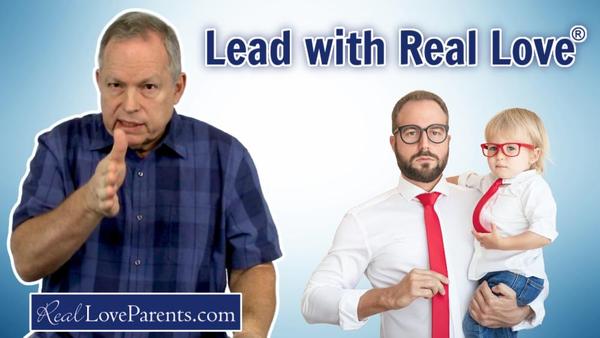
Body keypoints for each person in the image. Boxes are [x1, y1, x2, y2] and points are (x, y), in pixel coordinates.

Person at [9, 11, 281, 338]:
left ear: (178, 87)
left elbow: (254, 266)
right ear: (98, 82)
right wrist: (88, 204)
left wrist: (250, 330)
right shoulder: (60, 146)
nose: (130, 104)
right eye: (116, 86)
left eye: (148, 87)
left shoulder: (226, 156)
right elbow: (26, 263)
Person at [301, 90, 546, 338]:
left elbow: (529, 267)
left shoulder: (485, 205)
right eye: (410, 133)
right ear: (393, 142)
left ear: (448, 141)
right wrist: (388, 296)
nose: (424, 145)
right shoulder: (363, 219)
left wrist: (523, 311)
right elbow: (313, 301)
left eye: (435, 132)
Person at [449, 108, 557, 338]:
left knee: (478, 326)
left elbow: (544, 234)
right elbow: (465, 178)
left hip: (519, 274)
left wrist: (503, 243)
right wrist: (435, 183)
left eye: (510, 149)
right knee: (485, 326)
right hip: (495, 273)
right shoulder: (490, 181)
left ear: (533, 155)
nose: (499, 156)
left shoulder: (533, 187)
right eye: (492, 148)